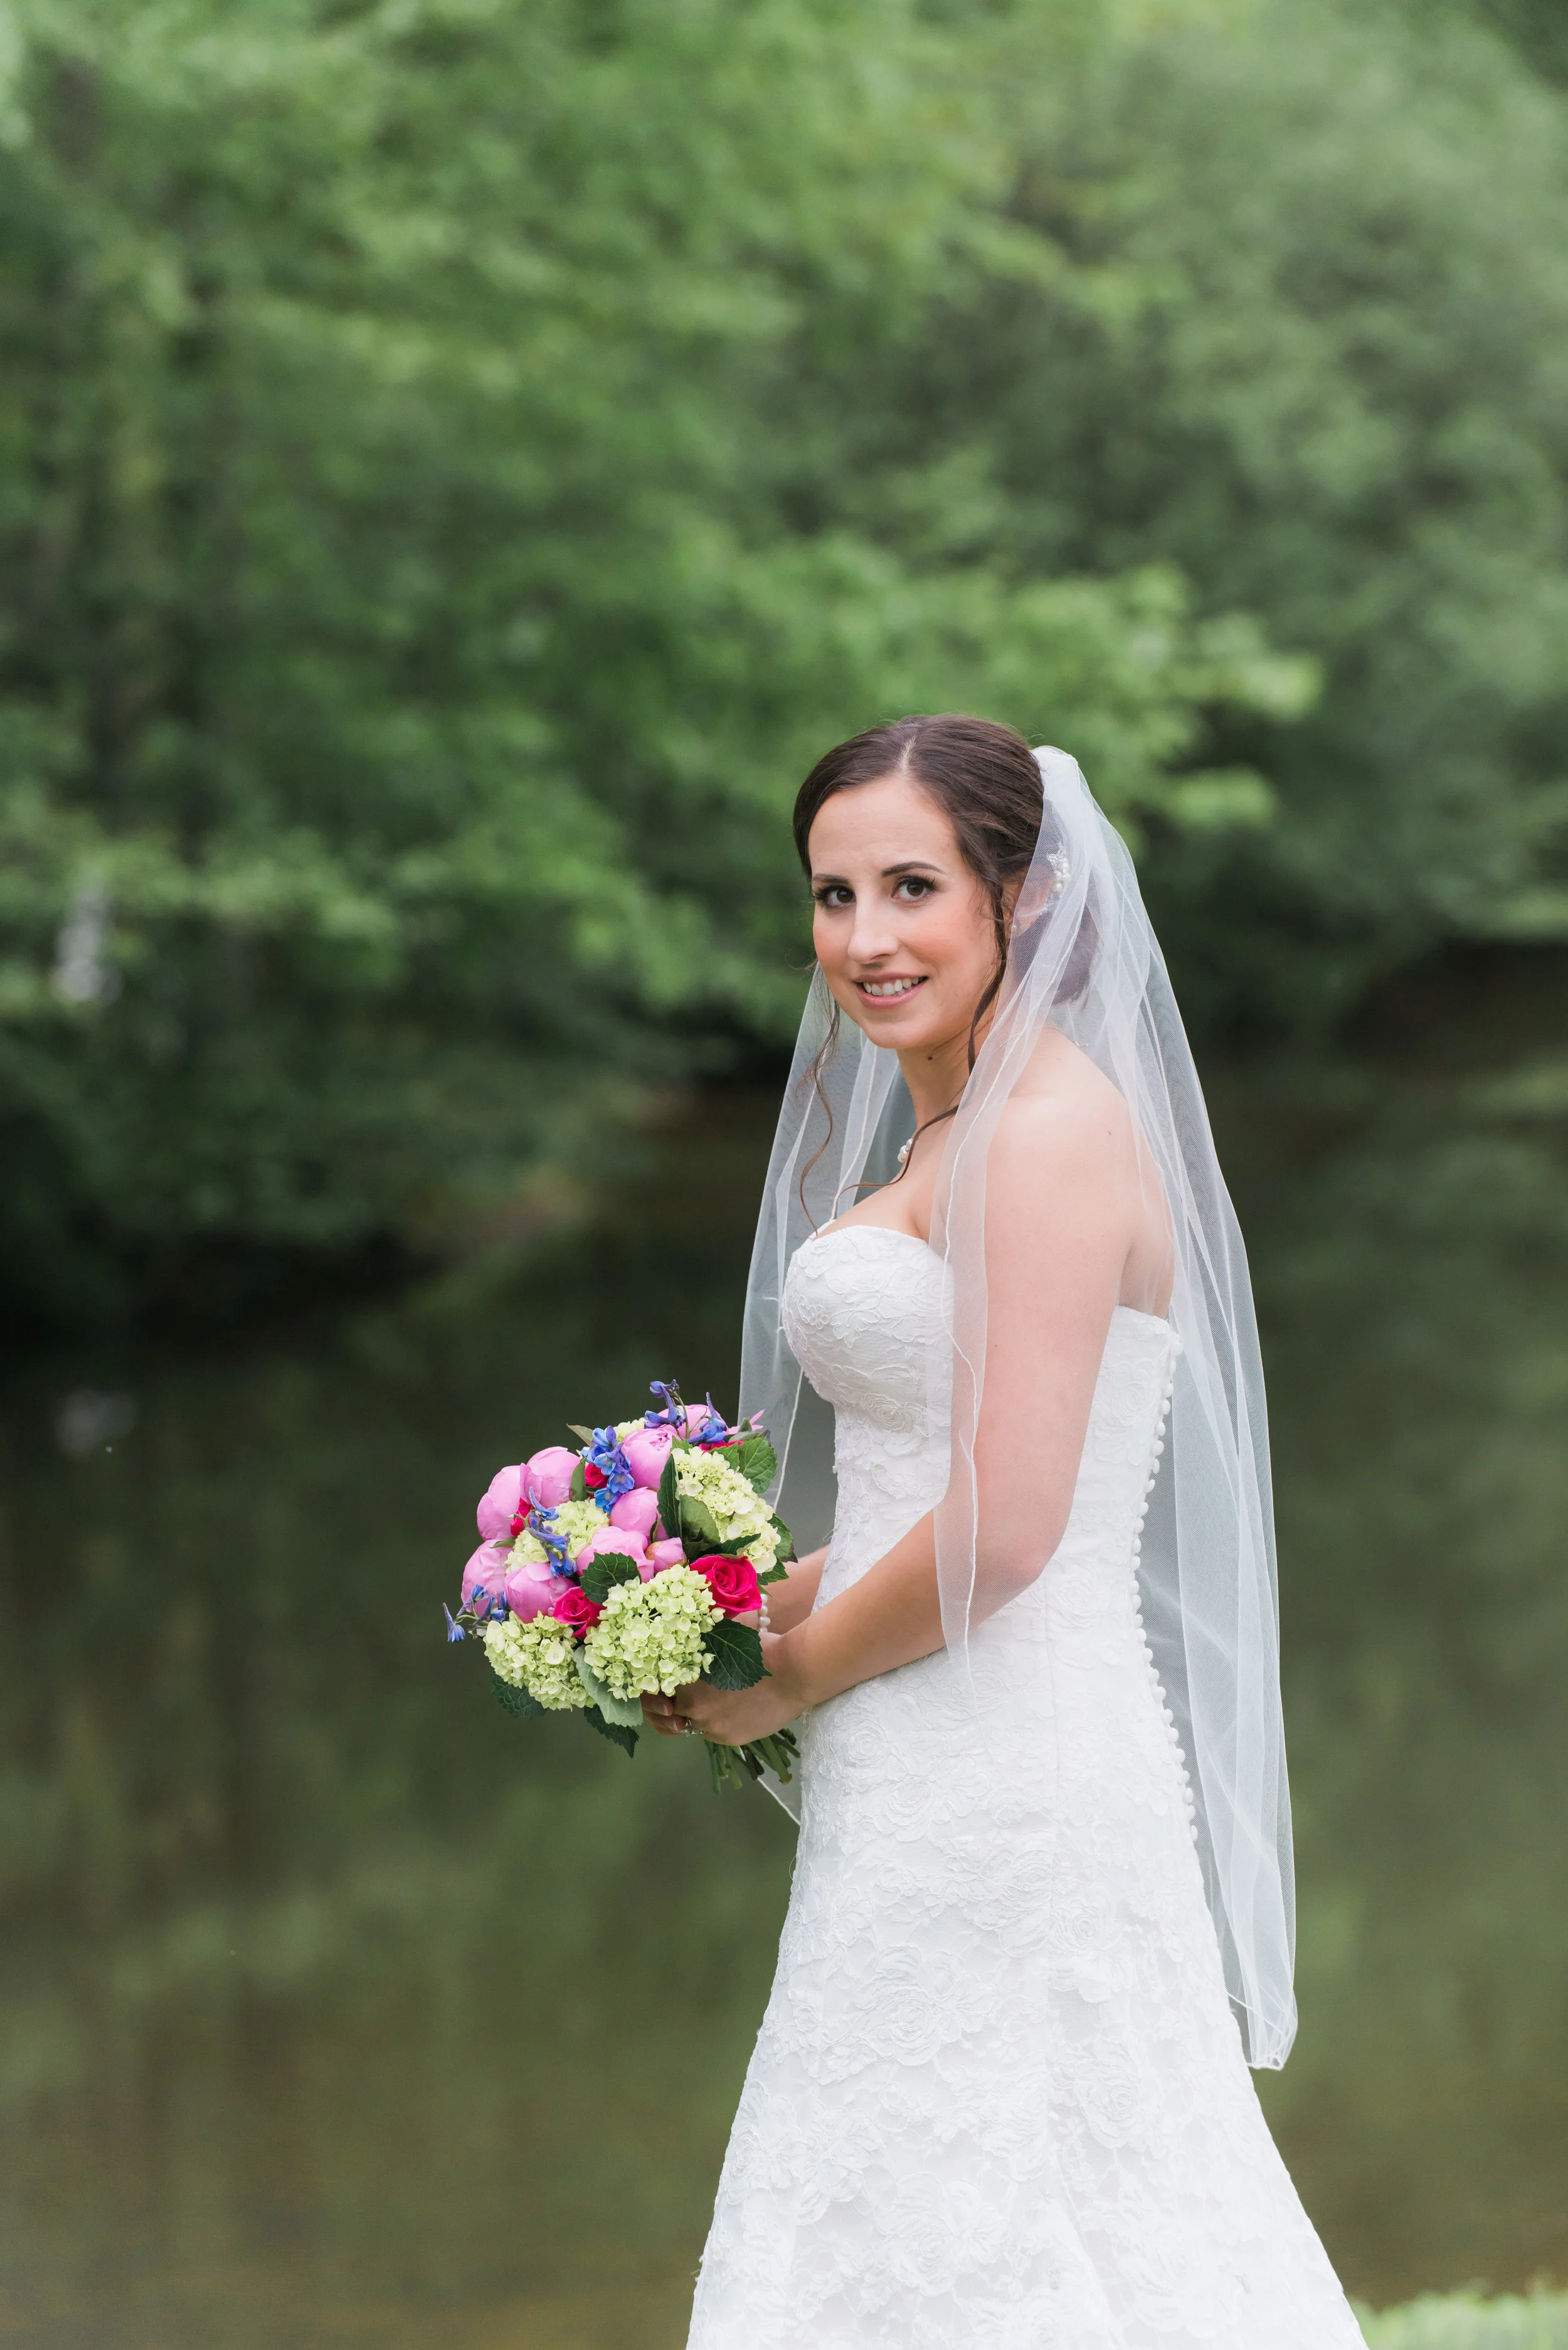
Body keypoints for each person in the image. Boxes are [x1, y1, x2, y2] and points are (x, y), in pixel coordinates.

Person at [642, 715, 1365, 2347]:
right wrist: (699, 1610)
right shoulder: (951, 1133)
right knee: (906, 2157)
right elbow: (918, 1491)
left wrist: (783, 1682)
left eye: (910, 886)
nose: (864, 939)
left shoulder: (1044, 1135)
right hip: (931, 1736)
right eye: (831, 897)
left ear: (1019, 901)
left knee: (1012, 2175)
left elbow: (1011, 1527)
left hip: (1011, 1749)